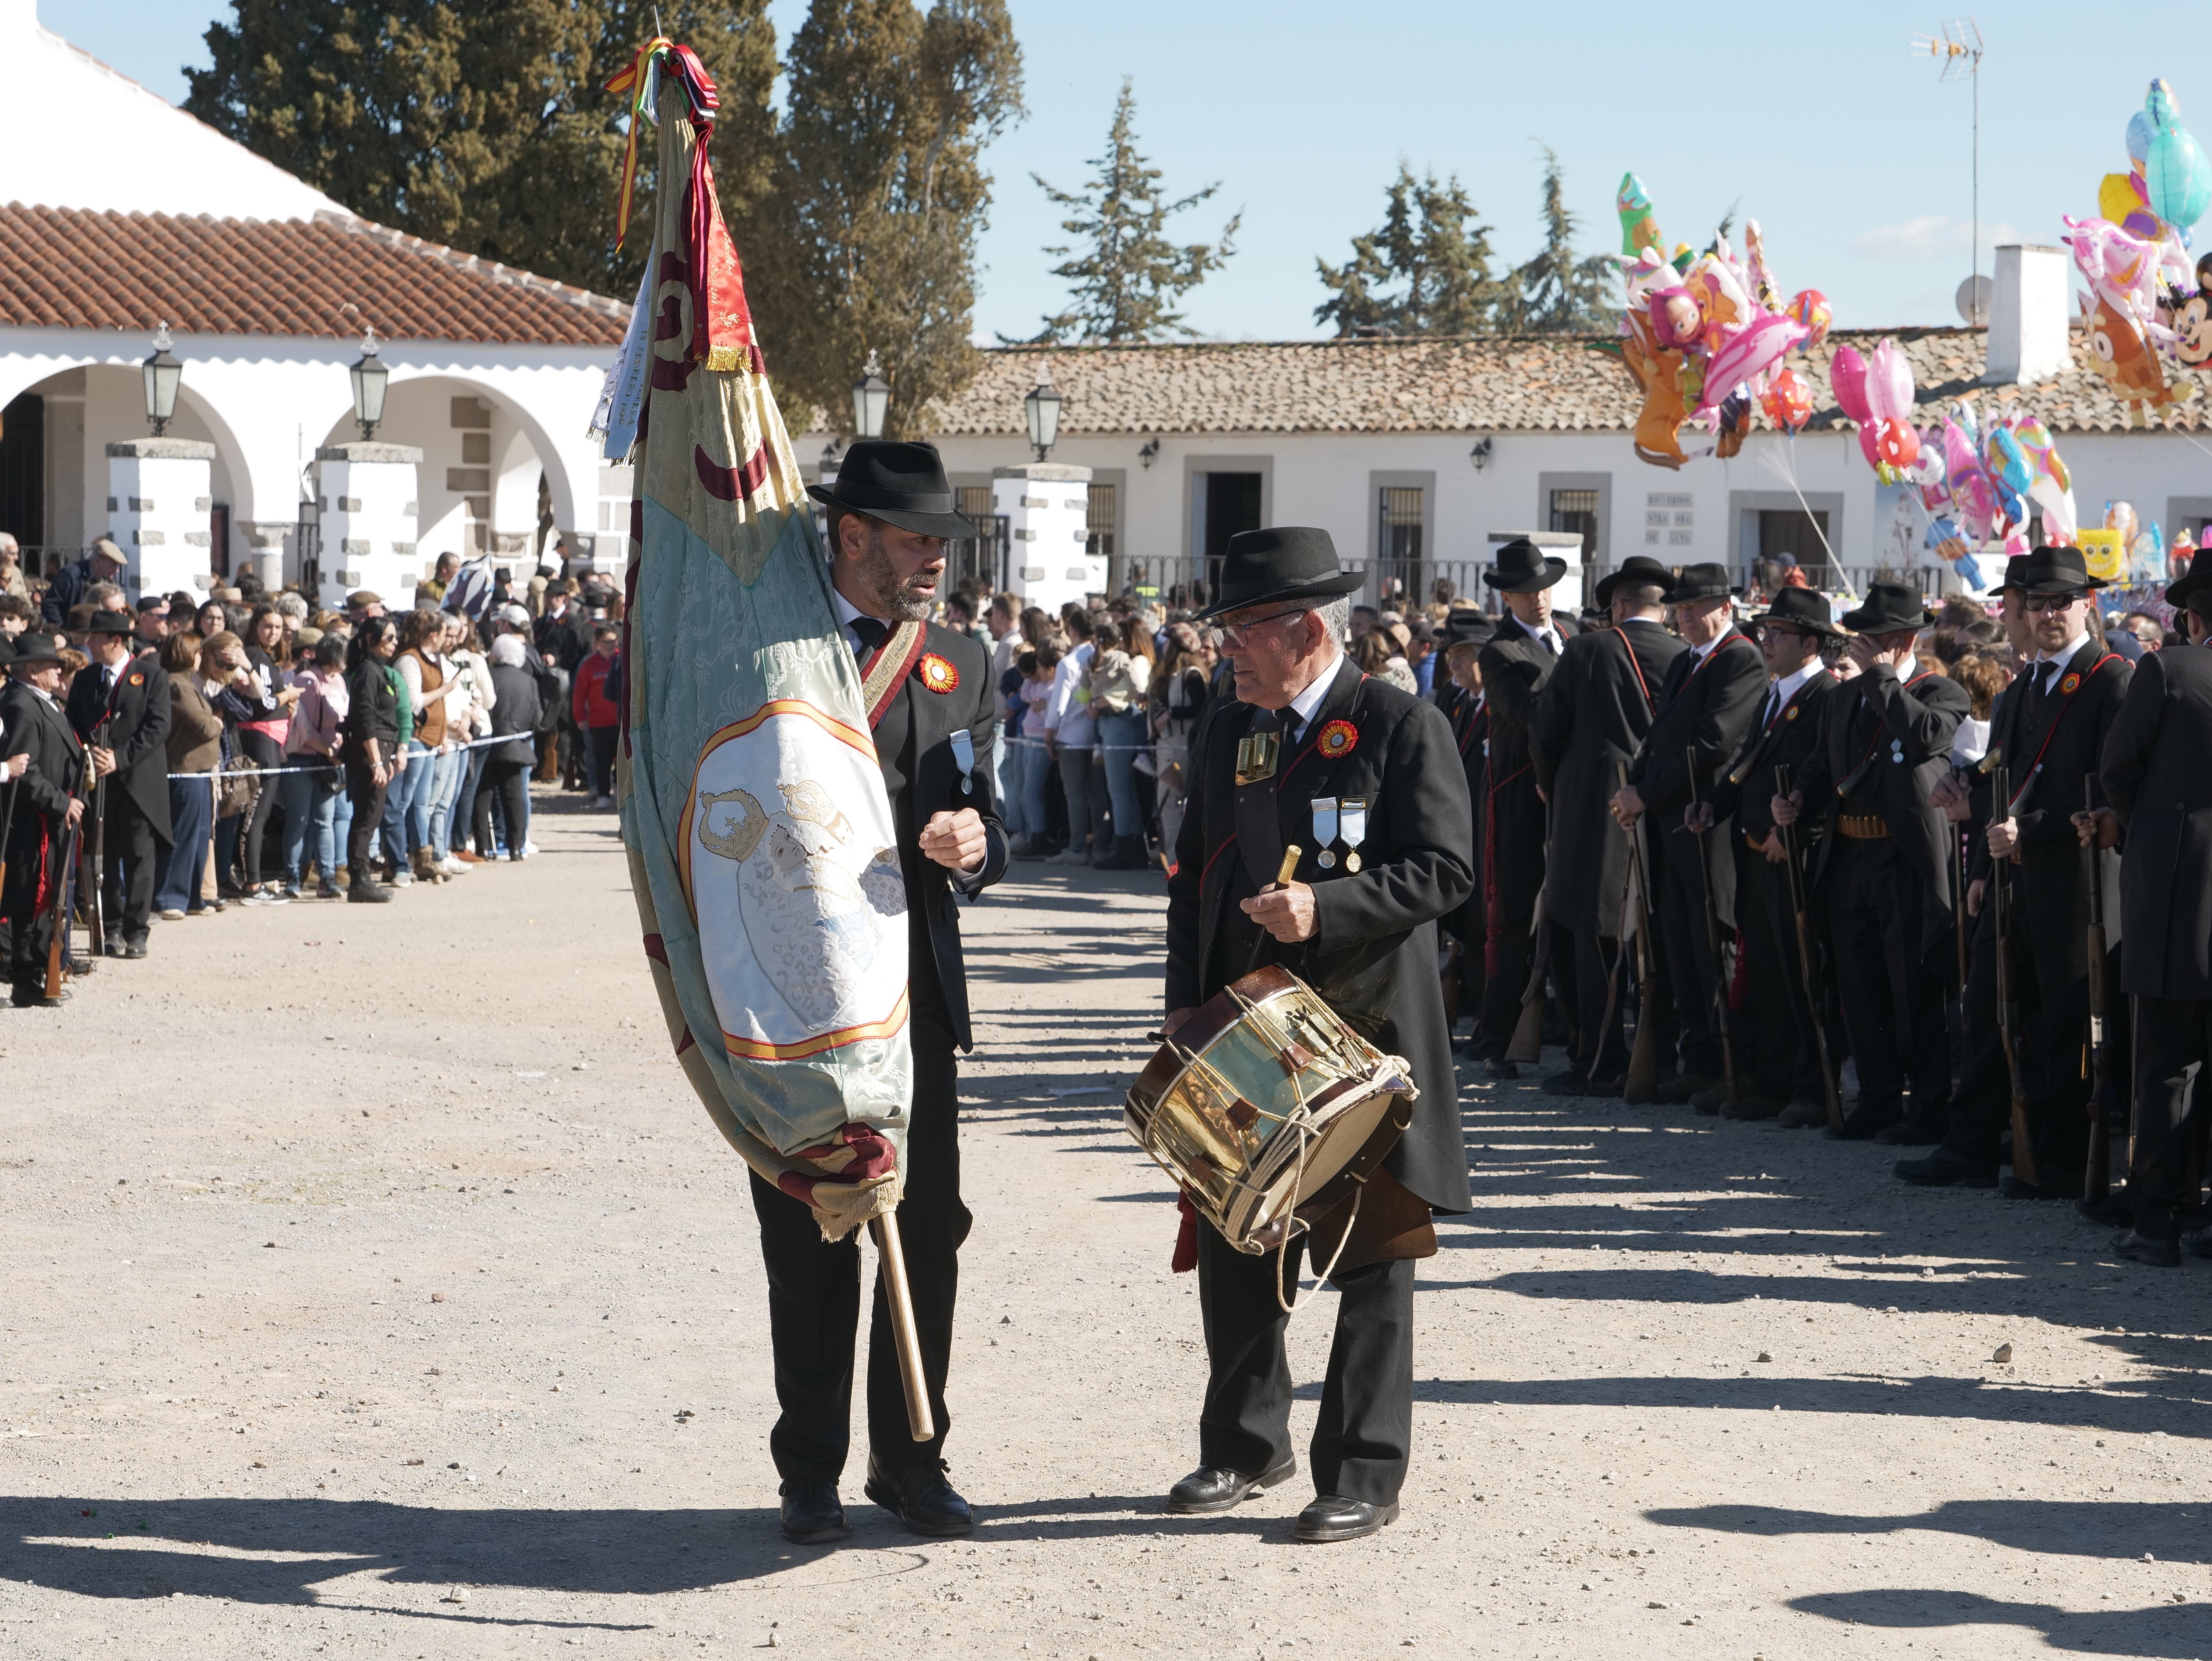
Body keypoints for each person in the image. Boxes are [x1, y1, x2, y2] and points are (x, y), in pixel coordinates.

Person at [1161, 526, 1471, 1545]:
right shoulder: (1229, 729)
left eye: (1243, 630)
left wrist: (1328, 910)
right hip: (1252, 1025)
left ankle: (1364, 1470)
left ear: (1302, 628)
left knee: (1375, 1250)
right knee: (1236, 1237)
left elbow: (1444, 869)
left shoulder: (1394, 722)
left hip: (1367, 1025)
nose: (1227, 650)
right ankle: (1246, 1443)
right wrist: (1182, 1004)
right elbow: (1197, 879)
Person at [766, 439, 1007, 1545]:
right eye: (917, 540)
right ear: (852, 533)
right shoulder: (766, 650)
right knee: (813, 1227)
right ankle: (809, 1469)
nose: (936, 562)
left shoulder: (959, 661)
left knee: (929, 1224)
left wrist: (977, 841)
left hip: (917, 995)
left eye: (944, 543)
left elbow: (989, 811)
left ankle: (913, 1458)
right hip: (795, 993)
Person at [1955, 546, 2131, 1197]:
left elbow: (2111, 786)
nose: (2049, 613)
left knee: (2066, 1023)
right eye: (2038, 603)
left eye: (2062, 601)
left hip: (2074, 880)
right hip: (2012, 877)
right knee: (1990, 1008)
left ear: (2089, 603)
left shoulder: (2111, 678)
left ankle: (2061, 1160)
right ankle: (1973, 1142)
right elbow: (2002, 776)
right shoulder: (2025, 684)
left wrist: (2030, 830)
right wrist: (1980, 863)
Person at [1773, 581, 1968, 1139]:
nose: (1858, 647)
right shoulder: (1841, 699)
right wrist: (1796, 800)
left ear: (1903, 641)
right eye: (1859, 637)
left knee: (1914, 987)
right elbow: (1819, 765)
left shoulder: (1940, 692)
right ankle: (1880, 1098)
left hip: (1903, 859)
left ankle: (1927, 1105)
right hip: (1850, 856)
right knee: (1859, 986)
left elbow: (1927, 737)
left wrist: (1882, 677)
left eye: (1872, 638)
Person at [2090, 562, 2212, 1264]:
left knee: (2166, 1064)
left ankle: (2157, 1220)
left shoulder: (2166, 672)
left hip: (2176, 896)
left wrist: (2153, 834)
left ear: (2191, 619)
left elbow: (2117, 770)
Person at [1612, 563, 1765, 1108]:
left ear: (1725, 608)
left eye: (1696, 609)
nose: (1686, 618)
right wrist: (1636, 790)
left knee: (1711, 944)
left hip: (1707, 823)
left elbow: (1714, 743)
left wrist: (1645, 795)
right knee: (1678, 946)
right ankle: (1697, 1058)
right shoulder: (1686, 661)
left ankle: (1731, 1063)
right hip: (1668, 825)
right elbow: (1659, 740)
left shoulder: (1741, 658)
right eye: (1679, 610)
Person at [1532, 556, 1685, 1094]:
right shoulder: (1688, 655)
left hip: (1593, 813)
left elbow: (1547, 731)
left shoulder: (1587, 650)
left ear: (1618, 605)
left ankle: (1597, 1057)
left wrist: (1551, 787)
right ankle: (1660, 1055)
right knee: (1656, 937)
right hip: (1663, 812)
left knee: (1591, 934)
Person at [1696, 585, 1846, 1122]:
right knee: (1762, 974)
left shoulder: (1826, 694)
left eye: (1778, 634)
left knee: (1799, 973)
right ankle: (1769, 1078)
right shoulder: (1775, 692)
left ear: (1811, 642)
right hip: (1757, 852)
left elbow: (1826, 775)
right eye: (1766, 632)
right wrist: (1713, 805)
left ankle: (1808, 1087)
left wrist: (1798, 832)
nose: (1767, 641)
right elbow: (1748, 764)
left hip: (1793, 857)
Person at [1474, 537, 1578, 1076]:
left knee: (1568, 910)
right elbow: (1528, 714)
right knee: (1514, 913)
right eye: (1524, 591)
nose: (1537, 598)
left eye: (1542, 587)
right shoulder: (1499, 651)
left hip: (1570, 791)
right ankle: (1497, 1035)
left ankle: (1563, 1022)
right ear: (1506, 598)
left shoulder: (1572, 636)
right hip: (1520, 791)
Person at [68, 611, 170, 959]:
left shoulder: (151, 676)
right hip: (99, 782)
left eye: (96, 639)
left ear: (116, 640)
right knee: (104, 857)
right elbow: (75, 725)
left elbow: (158, 727)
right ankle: (110, 928)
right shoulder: (85, 679)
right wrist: (90, 753)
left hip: (137, 780)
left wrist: (120, 758)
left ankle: (137, 930)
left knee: (140, 857)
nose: (90, 645)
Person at [0, 631, 92, 1006]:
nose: (60, 671)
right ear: (34, 669)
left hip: (49, 820)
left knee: (45, 899)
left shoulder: (45, 702)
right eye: (53, 665)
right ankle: (26, 977)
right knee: (29, 899)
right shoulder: (22, 703)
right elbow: (25, 771)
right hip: (31, 822)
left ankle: (38, 971)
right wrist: (60, 802)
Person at [1434, 607, 1495, 1044]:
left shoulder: (1496, 704)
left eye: (1462, 654)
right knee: (1467, 929)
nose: (1453, 664)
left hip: (1486, 834)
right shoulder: (1457, 701)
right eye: (1450, 654)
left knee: (1483, 929)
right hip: (1459, 831)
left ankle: (1486, 1016)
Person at [154, 630, 222, 921]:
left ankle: (194, 895)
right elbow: (203, 726)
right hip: (184, 771)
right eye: (197, 654)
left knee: (199, 836)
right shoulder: (176, 685)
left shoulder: (186, 684)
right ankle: (171, 896)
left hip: (200, 771)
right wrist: (217, 722)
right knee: (182, 835)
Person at [281, 633, 350, 898]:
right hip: (304, 757)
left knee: (325, 820)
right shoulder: (307, 680)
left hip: (329, 759)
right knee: (298, 819)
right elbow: (303, 728)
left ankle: (327, 877)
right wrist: (329, 750)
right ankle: (293, 876)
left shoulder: (339, 681)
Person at [340, 616, 400, 903]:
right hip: (370, 752)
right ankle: (359, 880)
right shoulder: (367, 672)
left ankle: (361, 877)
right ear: (369, 640)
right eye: (388, 638)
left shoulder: (381, 671)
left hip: (383, 748)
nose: (395, 643)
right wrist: (377, 761)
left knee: (372, 815)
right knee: (366, 817)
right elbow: (365, 720)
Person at [1086, 617, 1149, 868]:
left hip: (1113, 723)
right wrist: (1141, 695)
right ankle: (1132, 844)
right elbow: (1137, 684)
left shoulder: (1094, 660)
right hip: (1119, 721)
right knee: (1125, 790)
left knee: (1119, 790)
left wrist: (1090, 704)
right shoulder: (1122, 658)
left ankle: (1125, 844)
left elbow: (1081, 689)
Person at [1045, 606, 1102, 866]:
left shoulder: (1069, 663)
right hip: (1096, 734)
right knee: (1095, 792)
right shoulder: (1098, 656)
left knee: (1075, 793)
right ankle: (1098, 844)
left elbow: (1059, 703)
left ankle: (1078, 847)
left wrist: (1049, 733)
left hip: (1071, 735)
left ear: (1073, 629)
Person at [476, 633, 541, 859]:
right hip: (516, 744)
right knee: (513, 797)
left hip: (489, 744)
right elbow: (536, 717)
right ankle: (516, 847)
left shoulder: (489, 676)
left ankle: (482, 847)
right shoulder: (529, 681)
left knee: (483, 795)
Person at [572, 623, 623, 809]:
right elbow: (579, 693)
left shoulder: (623, 661)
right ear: (596, 643)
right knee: (601, 760)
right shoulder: (589, 665)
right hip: (598, 723)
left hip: (620, 722)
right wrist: (579, 717)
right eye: (605, 642)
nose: (610, 645)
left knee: (622, 761)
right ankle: (603, 794)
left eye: (613, 641)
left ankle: (620, 794)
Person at [37, 537, 125, 628]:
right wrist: (63, 630)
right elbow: (50, 604)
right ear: (98, 561)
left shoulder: (109, 581)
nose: (117, 571)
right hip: (73, 635)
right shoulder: (71, 574)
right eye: (113, 565)